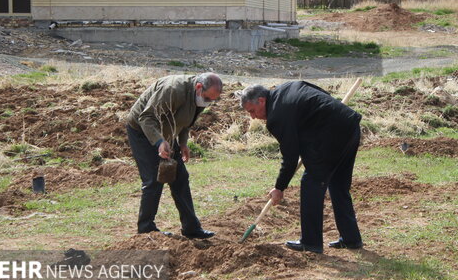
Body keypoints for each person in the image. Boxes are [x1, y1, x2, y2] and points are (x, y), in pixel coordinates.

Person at [238, 81, 363, 253]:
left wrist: (279, 187)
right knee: (338, 185)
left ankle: (310, 242)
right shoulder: (289, 87)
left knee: (311, 183)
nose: (253, 117)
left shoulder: (276, 117)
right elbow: (320, 93)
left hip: (331, 135)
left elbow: (290, 157)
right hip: (349, 125)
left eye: (252, 111)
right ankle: (351, 239)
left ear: (261, 100)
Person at [126, 73, 222, 238]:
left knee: (180, 177)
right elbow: (146, 118)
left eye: (212, 100)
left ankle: (191, 228)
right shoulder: (172, 90)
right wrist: (159, 142)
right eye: (207, 98)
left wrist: (183, 143)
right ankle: (145, 229)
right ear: (199, 87)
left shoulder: (200, 97)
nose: (208, 103)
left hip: (166, 132)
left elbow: (185, 121)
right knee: (153, 179)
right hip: (142, 131)